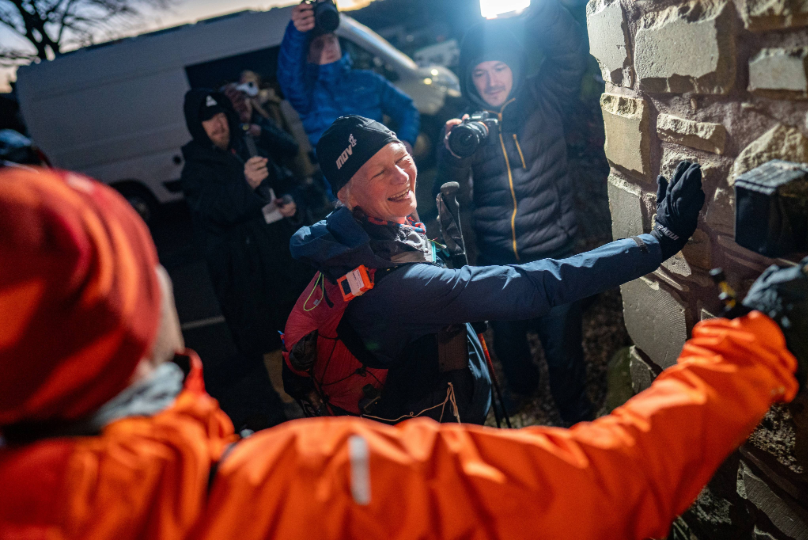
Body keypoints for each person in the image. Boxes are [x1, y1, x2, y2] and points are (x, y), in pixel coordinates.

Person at [0, 166, 805, 540]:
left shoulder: (331, 255)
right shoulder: (305, 490)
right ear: (139, 318)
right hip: (435, 434)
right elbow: (532, 289)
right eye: (388, 174)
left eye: (410, 167)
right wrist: (671, 252)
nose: (408, 181)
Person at [284, 116, 703, 425]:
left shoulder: (358, 236)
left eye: (401, 157)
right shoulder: (400, 288)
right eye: (379, 171)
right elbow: (538, 284)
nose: (401, 176)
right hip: (435, 436)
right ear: (345, 194)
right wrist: (658, 241)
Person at [436, 0, 593, 423]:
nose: (491, 82)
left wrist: (532, 9)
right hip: (498, 259)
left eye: (500, 68)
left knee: (562, 349)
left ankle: (576, 416)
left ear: (516, 67)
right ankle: (524, 390)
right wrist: (453, 157)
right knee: (509, 347)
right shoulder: (465, 131)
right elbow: (452, 200)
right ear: (470, 78)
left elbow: (570, 52)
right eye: (480, 73)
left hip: (555, 249)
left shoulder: (546, 97)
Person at [180, 89, 314, 425]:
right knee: (269, 340)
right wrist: (245, 185)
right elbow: (211, 212)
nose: (219, 123)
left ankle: (324, 389)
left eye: (223, 115)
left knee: (304, 327)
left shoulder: (250, 145)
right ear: (197, 125)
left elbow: (289, 180)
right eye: (209, 118)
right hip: (247, 275)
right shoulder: (195, 169)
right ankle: (292, 406)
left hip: (282, 261)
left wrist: (292, 201)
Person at [276, 1, 420, 158]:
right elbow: (289, 77)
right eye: (318, 45)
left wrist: (406, 141)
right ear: (307, 55)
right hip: (343, 181)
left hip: (383, 166)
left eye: (331, 40)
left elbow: (407, 109)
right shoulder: (307, 93)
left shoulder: (367, 80)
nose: (328, 47)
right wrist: (296, 33)